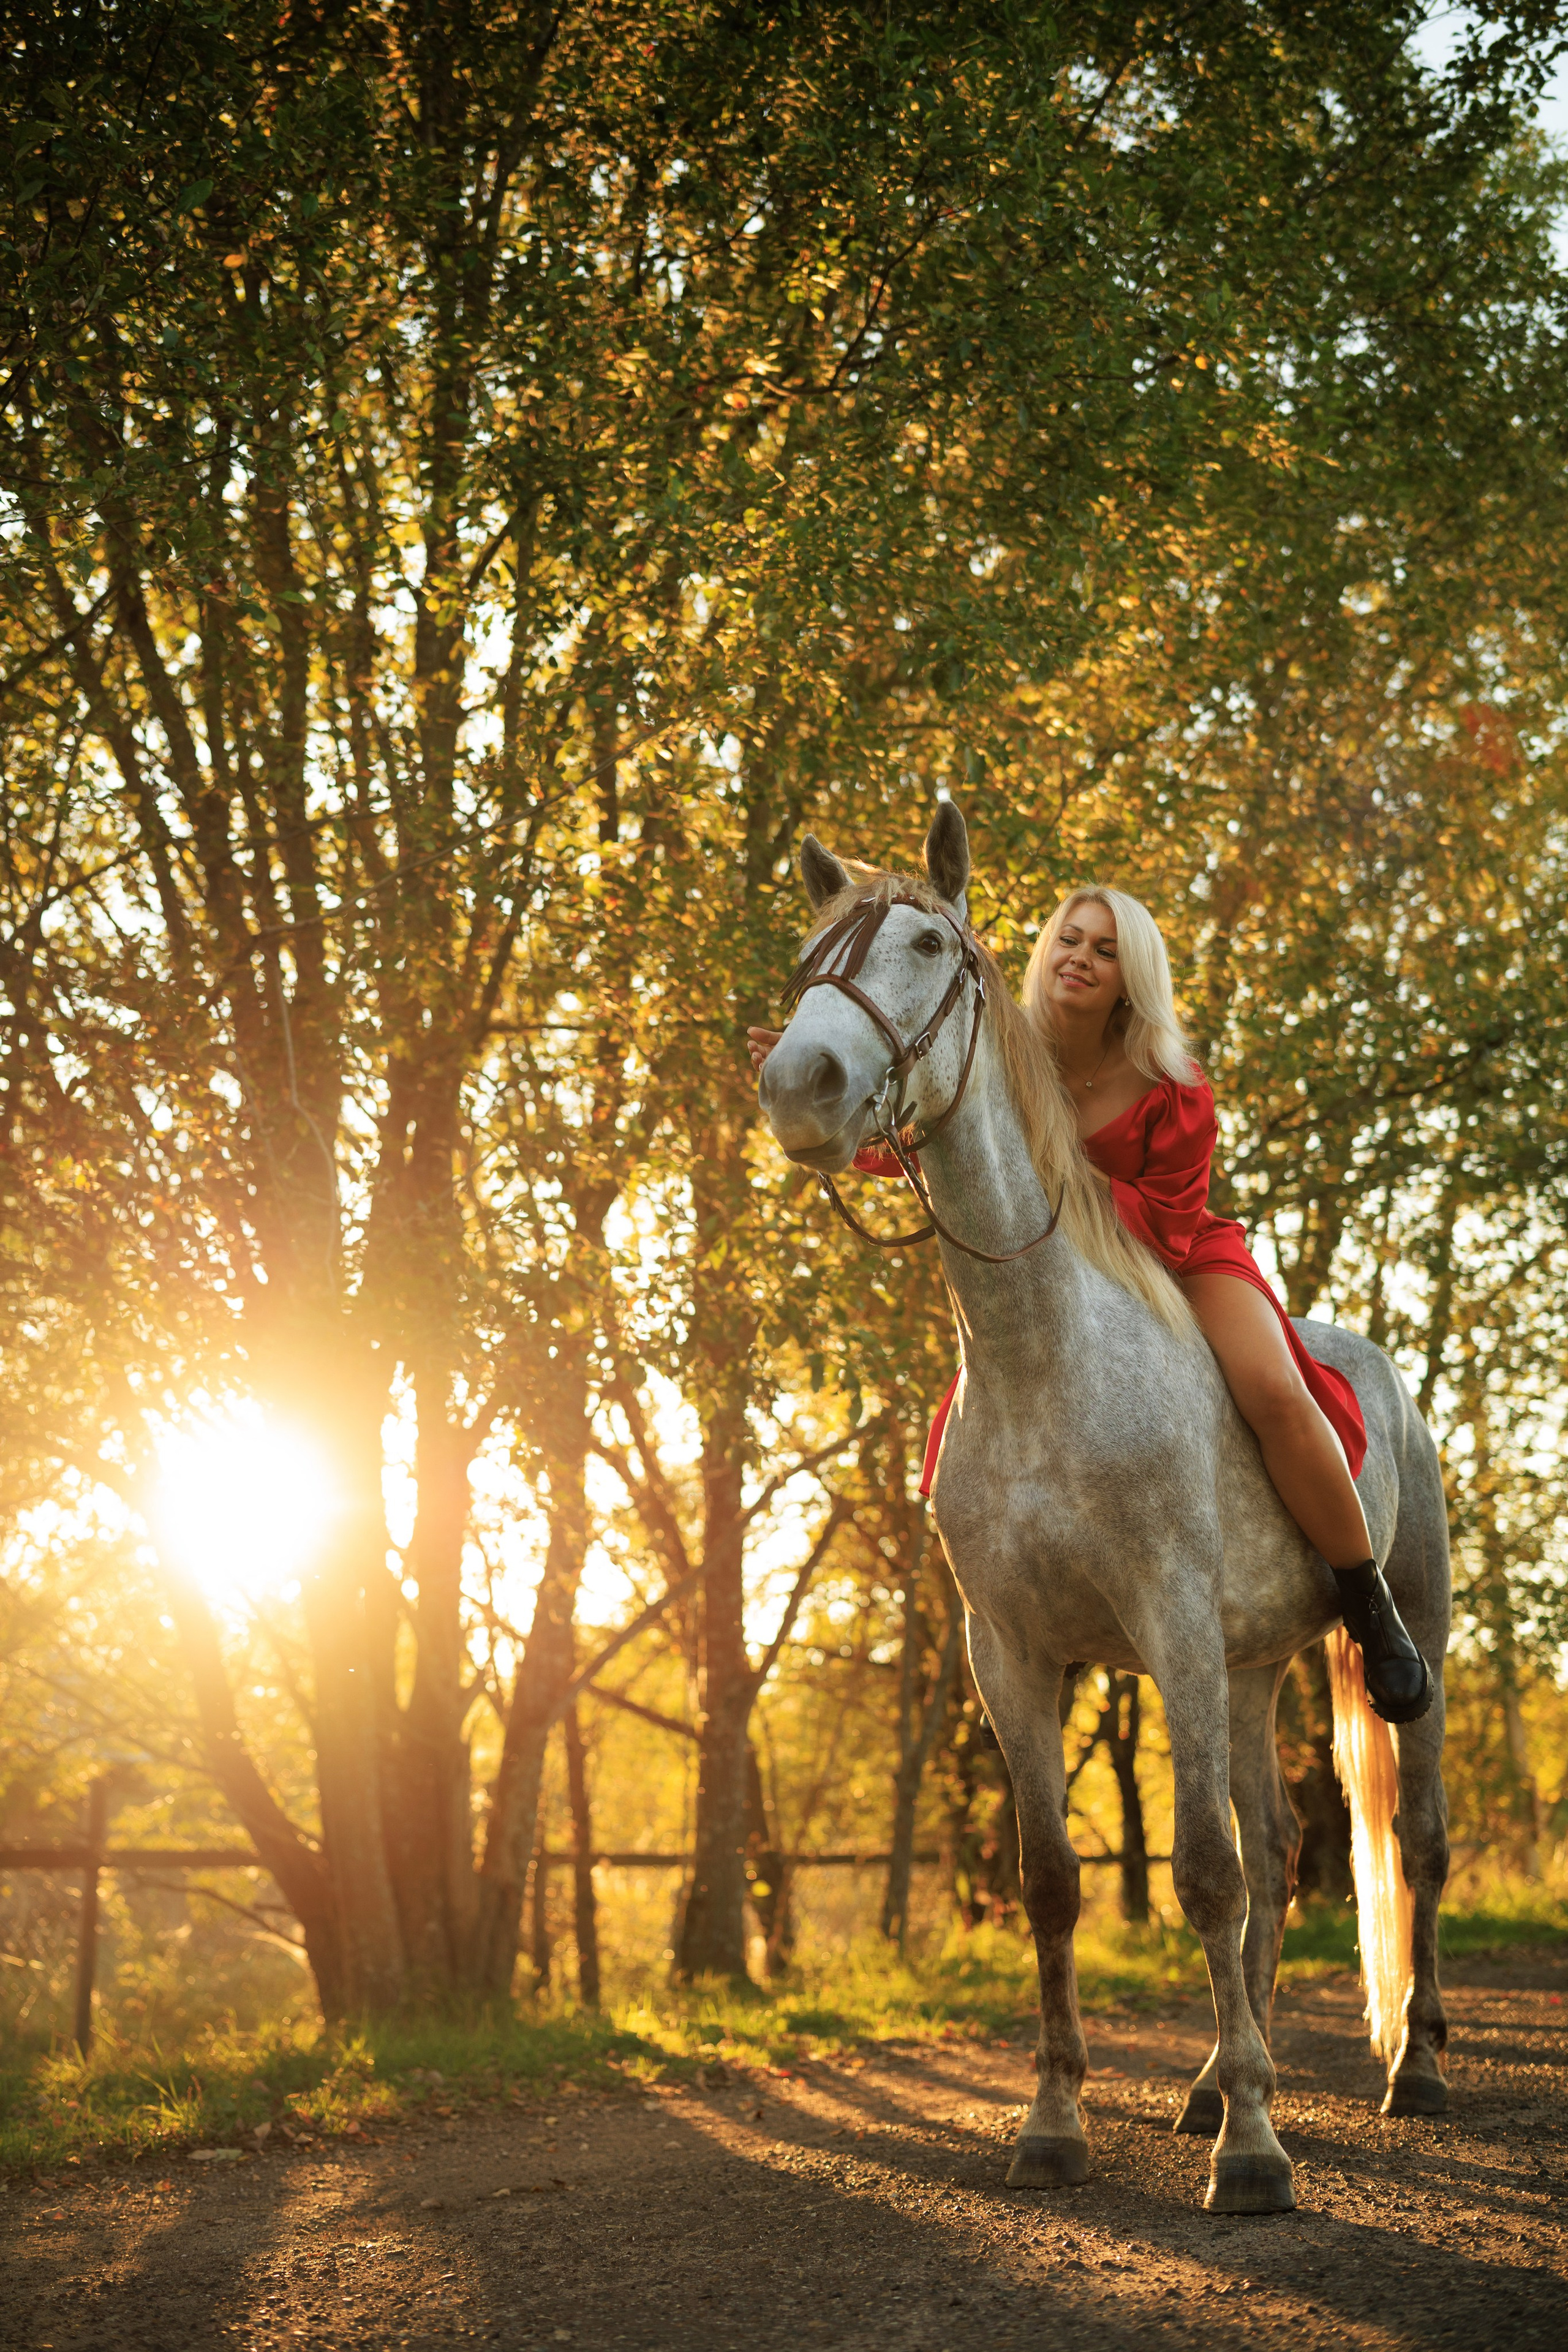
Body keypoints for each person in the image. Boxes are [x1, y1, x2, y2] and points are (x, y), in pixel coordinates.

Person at [749, 884, 1431, 1725]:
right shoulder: (1002, 1053)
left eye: (1105, 951)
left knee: (1277, 1393)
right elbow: (937, 1146)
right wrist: (833, 1104)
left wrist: (1058, 1195)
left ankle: (1370, 1605)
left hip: (1179, 1257)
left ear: (1129, 978)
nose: (1080, 957)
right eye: (1070, 939)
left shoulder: (1169, 1080)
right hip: (1062, 1276)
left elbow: (1176, 1210)